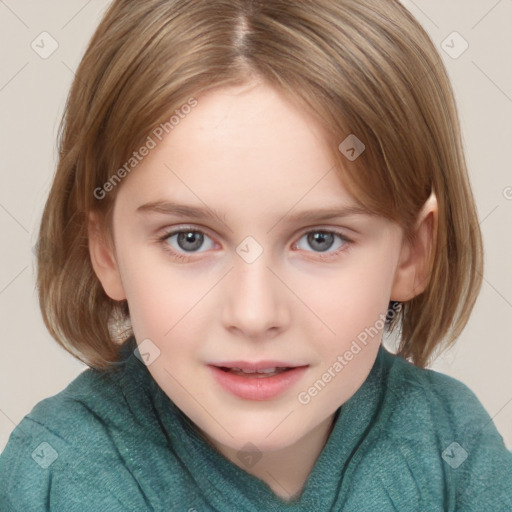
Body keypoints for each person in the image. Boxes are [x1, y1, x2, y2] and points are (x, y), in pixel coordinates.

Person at [1, 0, 511, 509]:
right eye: (189, 239)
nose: (254, 314)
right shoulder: (62, 473)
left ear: (412, 253)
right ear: (106, 251)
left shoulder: (450, 446)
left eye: (320, 239)